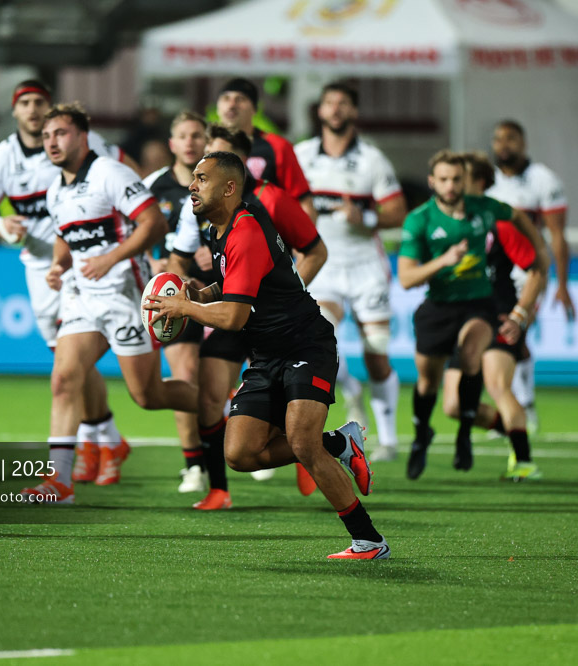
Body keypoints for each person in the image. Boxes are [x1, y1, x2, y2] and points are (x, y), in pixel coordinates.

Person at [147, 150, 387, 559]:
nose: (191, 184)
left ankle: (368, 540)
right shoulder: (217, 230)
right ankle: (340, 443)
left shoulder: (246, 229)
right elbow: (235, 286)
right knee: (240, 454)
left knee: (301, 440)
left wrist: (187, 308)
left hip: (305, 345)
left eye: (201, 178)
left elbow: (236, 316)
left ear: (229, 187)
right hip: (266, 354)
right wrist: (201, 293)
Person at [20, 102, 198, 503]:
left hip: (124, 293)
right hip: (82, 297)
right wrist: (57, 265)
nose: (52, 142)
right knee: (65, 377)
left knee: (147, 395)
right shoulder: (56, 188)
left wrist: (111, 258)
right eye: (47, 136)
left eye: (61, 133)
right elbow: (67, 235)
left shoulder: (109, 173)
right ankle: (60, 482)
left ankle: (218, 406)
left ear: (83, 137)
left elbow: (153, 222)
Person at [0, 79, 128, 486]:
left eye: (40, 101)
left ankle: (94, 445)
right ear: (15, 110)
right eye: (26, 103)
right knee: (68, 359)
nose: (34, 109)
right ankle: (104, 437)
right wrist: (0, 224)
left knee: (70, 363)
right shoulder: (2, 157)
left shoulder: (80, 147)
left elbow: (129, 178)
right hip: (42, 268)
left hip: (88, 261)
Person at [166, 125, 327, 509]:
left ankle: (310, 450)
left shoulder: (272, 199)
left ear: (239, 167)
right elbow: (184, 256)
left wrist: (279, 296)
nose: (203, 171)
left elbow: (315, 251)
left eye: (218, 159)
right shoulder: (205, 211)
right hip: (228, 311)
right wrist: (190, 287)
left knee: (286, 415)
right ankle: (219, 490)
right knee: (209, 398)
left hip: (270, 323)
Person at [398, 150, 544, 480]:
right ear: (433, 182)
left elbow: (522, 228)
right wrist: (443, 260)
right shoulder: (421, 219)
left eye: (457, 179)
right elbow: (406, 278)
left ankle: (487, 444)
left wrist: (539, 251)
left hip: (483, 308)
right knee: (432, 387)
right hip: (439, 309)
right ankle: (424, 433)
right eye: (445, 179)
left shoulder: (486, 212)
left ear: (468, 182)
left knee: (479, 362)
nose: (451, 186)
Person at [295, 81, 407, 462]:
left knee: (377, 353)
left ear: (354, 112)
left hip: (365, 268)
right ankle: (351, 392)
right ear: (320, 110)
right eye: (329, 102)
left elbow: (397, 212)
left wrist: (367, 216)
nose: (336, 109)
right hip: (322, 265)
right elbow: (278, 203)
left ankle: (388, 440)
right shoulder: (301, 156)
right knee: (321, 343)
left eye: (343, 103)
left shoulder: (373, 160)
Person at [439, 152, 548, 481]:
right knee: (454, 406)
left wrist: (519, 314)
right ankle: (514, 432)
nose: (455, 183)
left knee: (498, 385)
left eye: (462, 177)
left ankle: (525, 462)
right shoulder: (451, 221)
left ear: (480, 183)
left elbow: (536, 269)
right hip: (465, 322)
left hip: (499, 316)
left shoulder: (499, 221)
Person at [142, 110, 211, 493]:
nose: (190, 142)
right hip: (173, 294)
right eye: (182, 135)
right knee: (183, 375)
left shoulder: (218, 182)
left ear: (207, 141)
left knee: (221, 378)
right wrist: (152, 261)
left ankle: (249, 434)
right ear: (171, 143)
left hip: (219, 292)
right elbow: (132, 229)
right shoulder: (152, 185)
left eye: (197, 135)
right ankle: (194, 464)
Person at [488, 120, 571, 432]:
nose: (503, 145)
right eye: (498, 139)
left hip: (529, 273)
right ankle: (520, 406)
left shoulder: (543, 180)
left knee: (514, 333)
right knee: (509, 339)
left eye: (510, 139)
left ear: (523, 143)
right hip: (496, 275)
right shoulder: (487, 181)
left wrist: (563, 285)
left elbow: (557, 236)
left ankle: (521, 409)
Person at [215, 78, 315, 219]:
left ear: (255, 109)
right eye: (226, 98)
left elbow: (304, 203)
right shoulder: (206, 146)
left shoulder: (277, 146)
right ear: (218, 106)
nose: (231, 105)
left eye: (240, 99)